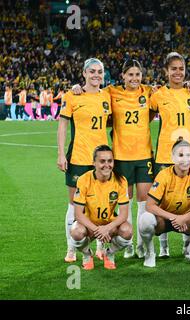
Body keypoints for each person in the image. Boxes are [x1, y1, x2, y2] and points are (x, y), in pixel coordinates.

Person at [72, 59, 155, 259]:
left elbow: (152, 113)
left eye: (138, 74)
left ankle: (142, 245)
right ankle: (122, 244)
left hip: (144, 156)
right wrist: (77, 87)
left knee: (144, 203)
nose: (134, 78)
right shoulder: (111, 92)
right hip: (121, 157)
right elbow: (93, 90)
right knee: (122, 201)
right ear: (123, 76)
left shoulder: (149, 92)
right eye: (130, 75)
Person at [57, 58, 111, 263]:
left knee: (101, 203)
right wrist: (61, 154)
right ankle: (71, 248)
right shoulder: (72, 96)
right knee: (74, 204)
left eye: (100, 72)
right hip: (79, 157)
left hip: (102, 160)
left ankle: (100, 246)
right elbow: (62, 126)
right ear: (84, 73)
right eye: (92, 72)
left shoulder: (107, 96)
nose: (96, 75)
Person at [150, 52, 190, 258]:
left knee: (189, 200)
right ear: (166, 71)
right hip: (165, 155)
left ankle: (187, 246)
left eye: (181, 68)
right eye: (174, 68)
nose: (178, 72)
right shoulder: (158, 95)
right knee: (163, 202)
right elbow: (147, 112)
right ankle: (163, 248)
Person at [138, 138, 190, 267]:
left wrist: (185, 217)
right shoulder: (164, 175)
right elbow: (149, 205)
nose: (185, 159)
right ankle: (150, 253)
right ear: (173, 158)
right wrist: (175, 218)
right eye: (181, 155)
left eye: (188, 155)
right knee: (145, 220)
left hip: (186, 221)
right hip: (164, 220)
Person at [70, 145, 132, 270]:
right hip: (89, 226)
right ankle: (87, 254)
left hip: (109, 225)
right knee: (76, 232)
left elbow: (124, 214)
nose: (107, 165)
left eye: (110, 161)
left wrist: (107, 228)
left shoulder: (121, 180)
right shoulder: (83, 180)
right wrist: (98, 230)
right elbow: (78, 214)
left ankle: (109, 253)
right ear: (94, 163)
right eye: (102, 161)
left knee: (127, 231)